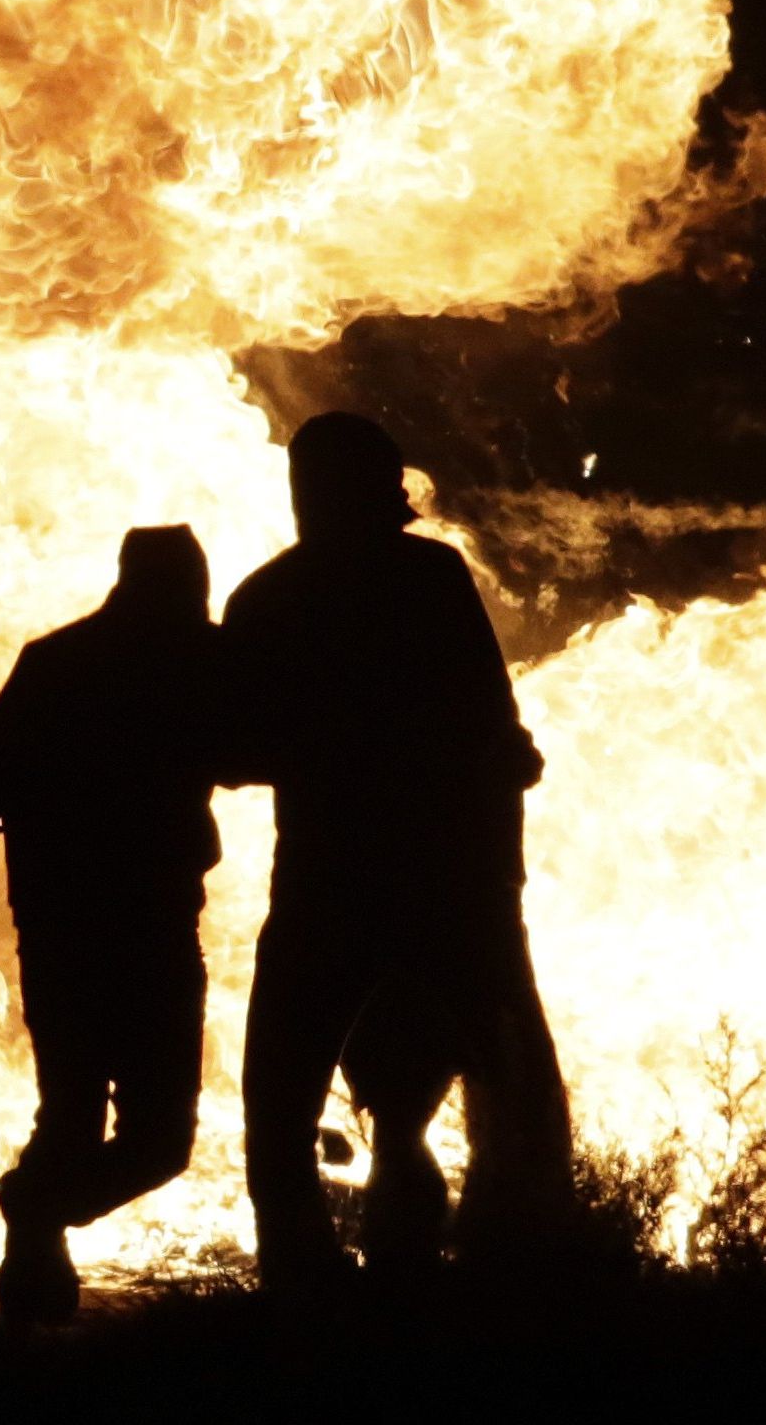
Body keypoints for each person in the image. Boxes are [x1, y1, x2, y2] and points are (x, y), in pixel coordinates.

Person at [224, 412, 570, 1291]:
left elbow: (232, 751)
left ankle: (301, 1271)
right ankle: (525, 1257)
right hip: (450, 876)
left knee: (284, 1088)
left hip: (334, 878)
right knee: (505, 1074)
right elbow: (495, 729)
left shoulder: (268, 598)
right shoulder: (429, 576)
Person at [0, 525, 226, 1322]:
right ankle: (35, 1245)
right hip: (142, 929)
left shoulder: (57, 661)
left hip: (70, 929)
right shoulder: (198, 661)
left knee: (75, 1116)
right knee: (157, 1138)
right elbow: (258, 750)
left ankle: (35, 1216)